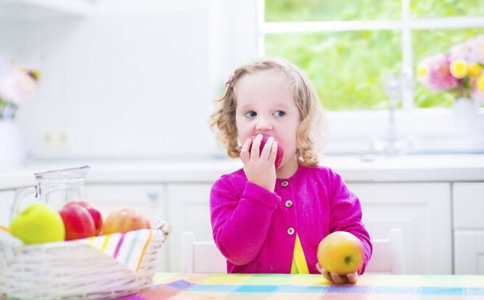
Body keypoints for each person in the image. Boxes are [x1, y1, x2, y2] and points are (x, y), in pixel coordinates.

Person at [208, 57, 372, 284]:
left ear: (301, 121)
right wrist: (258, 188)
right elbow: (237, 252)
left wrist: (349, 265)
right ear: (234, 122)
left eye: (279, 113)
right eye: (251, 114)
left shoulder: (328, 183)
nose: (263, 124)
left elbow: (355, 235)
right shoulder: (227, 188)